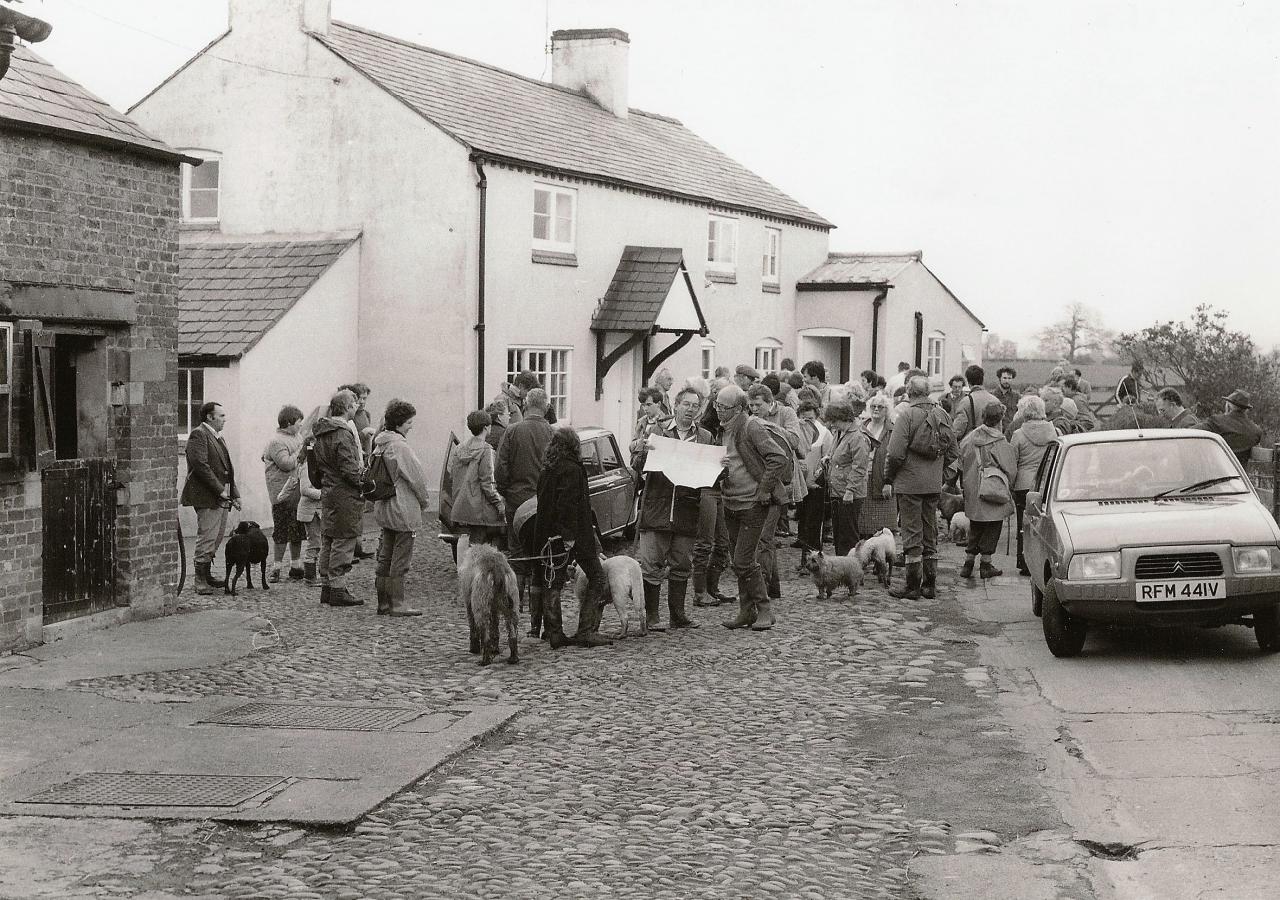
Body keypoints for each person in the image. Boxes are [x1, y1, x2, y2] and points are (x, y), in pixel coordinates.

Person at [632, 387, 713, 631]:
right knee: (651, 563)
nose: (690, 410)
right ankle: (653, 616)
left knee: (681, 562)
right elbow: (638, 467)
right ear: (675, 406)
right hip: (658, 504)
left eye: (695, 406)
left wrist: (722, 467)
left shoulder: (705, 437)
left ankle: (678, 614)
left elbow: (713, 477)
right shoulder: (657, 431)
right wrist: (643, 453)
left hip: (687, 508)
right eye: (686, 404)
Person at [715, 384, 790, 631]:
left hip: (752, 504)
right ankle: (746, 611)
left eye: (723, 407)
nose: (717, 411)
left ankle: (765, 609)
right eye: (716, 405)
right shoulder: (723, 430)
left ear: (738, 408)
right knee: (739, 560)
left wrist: (764, 489)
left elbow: (778, 457)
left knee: (743, 559)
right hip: (731, 502)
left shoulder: (751, 426)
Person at [533, 427, 611, 648]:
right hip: (571, 534)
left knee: (552, 582)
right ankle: (585, 631)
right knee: (597, 577)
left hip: (547, 533)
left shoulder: (548, 468)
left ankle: (554, 632)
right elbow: (567, 504)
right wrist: (568, 536)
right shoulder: (571, 469)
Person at [883, 376, 958, 600]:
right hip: (933, 484)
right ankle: (930, 585)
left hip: (909, 483)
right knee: (930, 531)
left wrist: (889, 478)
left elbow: (895, 453)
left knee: (911, 533)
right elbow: (953, 451)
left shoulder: (906, 415)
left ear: (908, 392)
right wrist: (939, 474)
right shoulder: (942, 414)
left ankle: (913, 586)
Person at [370, 399, 430, 616]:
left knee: (385, 555)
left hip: (384, 507)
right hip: (402, 507)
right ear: (400, 423)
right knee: (401, 558)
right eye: (409, 422)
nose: (411, 426)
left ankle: (383, 603)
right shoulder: (400, 447)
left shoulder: (380, 444)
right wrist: (424, 501)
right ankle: (398, 603)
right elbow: (417, 479)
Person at [311, 390, 365, 607]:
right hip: (345, 493)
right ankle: (338, 589)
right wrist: (364, 482)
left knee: (329, 539)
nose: (357, 407)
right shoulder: (342, 433)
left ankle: (327, 586)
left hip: (329, 490)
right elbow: (349, 468)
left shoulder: (322, 431)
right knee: (344, 539)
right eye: (355, 404)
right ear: (348, 406)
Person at [181, 401, 240, 594]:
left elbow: (227, 470)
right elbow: (200, 465)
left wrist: (234, 494)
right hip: (207, 496)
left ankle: (206, 574)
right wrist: (219, 490)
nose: (225, 419)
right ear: (210, 417)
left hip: (220, 496)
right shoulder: (199, 434)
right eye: (221, 416)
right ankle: (199, 580)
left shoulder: (217, 437)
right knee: (207, 537)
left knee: (216, 536)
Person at [958, 402, 1017, 579]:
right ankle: (985, 564)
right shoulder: (999, 441)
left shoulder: (970, 437)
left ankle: (968, 563)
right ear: (1000, 419)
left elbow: (961, 460)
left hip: (972, 485)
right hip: (992, 488)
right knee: (993, 524)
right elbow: (1010, 468)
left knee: (975, 523)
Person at [693, 381, 735, 608]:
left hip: (722, 489)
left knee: (723, 543)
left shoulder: (731, 428)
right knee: (705, 542)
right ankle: (700, 592)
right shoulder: (705, 432)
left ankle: (712, 587)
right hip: (706, 488)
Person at [449, 409, 507, 570]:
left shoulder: (460, 448)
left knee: (466, 540)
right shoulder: (486, 450)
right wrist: (499, 503)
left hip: (463, 504)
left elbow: (452, 475)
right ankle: (476, 576)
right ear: (487, 427)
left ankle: (464, 572)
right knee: (481, 545)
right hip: (479, 506)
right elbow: (487, 482)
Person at [496, 388, 554, 539]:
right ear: (546, 408)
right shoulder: (553, 434)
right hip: (544, 501)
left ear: (526, 406)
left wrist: (505, 492)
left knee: (516, 549)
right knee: (543, 547)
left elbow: (501, 468)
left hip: (516, 499)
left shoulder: (511, 431)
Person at [1010, 395, 1056, 575]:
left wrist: (1011, 485)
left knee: (1024, 525)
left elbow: (1013, 462)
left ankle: (1024, 562)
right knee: (1044, 524)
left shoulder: (1018, 434)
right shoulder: (1054, 432)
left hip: (1023, 484)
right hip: (1046, 483)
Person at [262, 404, 305, 582]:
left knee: (297, 529)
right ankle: (276, 567)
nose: (301, 426)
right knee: (281, 531)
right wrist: (302, 451)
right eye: (298, 422)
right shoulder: (277, 441)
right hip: (282, 493)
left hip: (297, 491)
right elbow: (286, 463)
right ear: (288, 423)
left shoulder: (297, 436)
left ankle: (295, 565)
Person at [824, 400, 869, 556]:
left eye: (835, 421)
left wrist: (850, 490)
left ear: (845, 418)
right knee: (839, 534)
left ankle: (853, 569)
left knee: (849, 535)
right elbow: (836, 454)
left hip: (850, 494)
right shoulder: (839, 433)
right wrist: (828, 458)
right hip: (837, 491)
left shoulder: (858, 437)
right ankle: (842, 567)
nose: (832, 425)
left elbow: (860, 467)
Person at [338, 382, 376, 562]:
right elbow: (351, 439)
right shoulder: (349, 419)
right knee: (352, 509)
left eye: (365, 399)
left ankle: (358, 546)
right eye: (359, 399)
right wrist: (362, 436)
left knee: (360, 508)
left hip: (365, 460)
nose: (362, 402)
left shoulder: (365, 415)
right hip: (354, 462)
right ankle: (350, 549)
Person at [795, 399, 828, 570]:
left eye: (810, 418)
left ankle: (816, 562)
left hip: (815, 486)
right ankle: (805, 562)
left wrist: (814, 479)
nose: (807, 421)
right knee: (803, 523)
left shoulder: (823, 433)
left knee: (814, 524)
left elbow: (826, 460)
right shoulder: (797, 432)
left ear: (816, 416)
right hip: (800, 485)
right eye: (804, 418)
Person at [859, 393, 897, 536]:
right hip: (863, 477)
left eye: (880, 407)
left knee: (883, 525)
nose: (876, 409)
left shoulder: (892, 430)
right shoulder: (861, 427)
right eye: (873, 406)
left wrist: (890, 481)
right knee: (863, 523)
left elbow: (895, 456)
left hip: (883, 479)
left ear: (887, 410)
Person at [1202, 390, 1263, 466]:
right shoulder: (1256, 431)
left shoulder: (1216, 422)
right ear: (1246, 410)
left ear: (1228, 406)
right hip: (1239, 476)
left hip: (1216, 472)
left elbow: (1190, 431)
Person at [951, 365, 1000, 442]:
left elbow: (958, 431)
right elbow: (999, 429)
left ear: (968, 382)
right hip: (992, 446)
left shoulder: (965, 402)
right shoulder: (995, 401)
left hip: (972, 447)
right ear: (982, 380)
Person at [493, 370, 558, 426]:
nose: (529, 395)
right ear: (521, 386)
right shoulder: (501, 399)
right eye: (529, 391)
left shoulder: (524, 400)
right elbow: (500, 426)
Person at [992, 366, 1019, 433]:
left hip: (1012, 433)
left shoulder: (1017, 397)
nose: (1007, 381)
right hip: (996, 432)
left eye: (1009, 378)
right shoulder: (992, 396)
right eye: (1004, 378)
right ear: (999, 379)